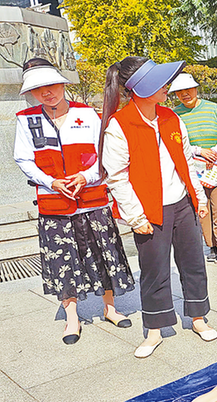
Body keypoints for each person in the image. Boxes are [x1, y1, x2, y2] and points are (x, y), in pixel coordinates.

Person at [100, 57, 217, 358]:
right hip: (148, 210)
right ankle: (154, 329)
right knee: (154, 270)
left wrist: (199, 198)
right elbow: (117, 177)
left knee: (193, 262)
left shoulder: (171, 117)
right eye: (160, 83)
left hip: (182, 203)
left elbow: (186, 160)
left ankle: (198, 317)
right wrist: (135, 216)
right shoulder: (120, 124)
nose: (168, 86)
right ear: (139, 87)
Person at [13, 58, 135, 345]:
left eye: (51, 86)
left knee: (104, 254)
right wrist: (50, 181)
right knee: (62, 261)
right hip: (53, 202)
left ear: (63, 84)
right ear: (31, 93)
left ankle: (110, 308)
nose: (46, 93)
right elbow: (23, 159)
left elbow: (103, 154)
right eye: (38, 89)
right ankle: (72, 318)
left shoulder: (87, 114)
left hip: (92, 198)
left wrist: (85, 176)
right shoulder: (26, 119)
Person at [170, 72, 217, 269]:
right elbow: (176, 143)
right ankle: (211, 245)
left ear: (196, 89)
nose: (185, 94)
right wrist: (200, 151)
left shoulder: (213, 108)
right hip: (193, 169)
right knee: (202, 208)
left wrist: (214, 152)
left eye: (188, 89)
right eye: (179, 91)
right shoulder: (175, 115)